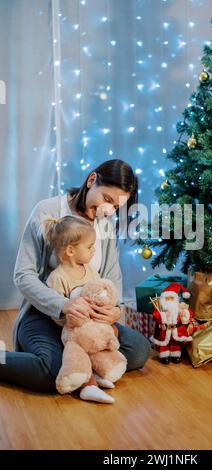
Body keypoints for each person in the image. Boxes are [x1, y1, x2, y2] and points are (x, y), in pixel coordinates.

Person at [0, 159, 151, 392]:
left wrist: (115, 309)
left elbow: (112, 276)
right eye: (107, 199)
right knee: (51, 371)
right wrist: (63, 305)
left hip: (90, 323)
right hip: (46, 315)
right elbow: (23, 275)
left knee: (139, 349)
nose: (107, 210)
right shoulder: (47, 211)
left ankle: (82, 367)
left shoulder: (105, 224)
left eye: (115, 207)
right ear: (92, 180)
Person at [43, 215, 122, 404]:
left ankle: (100, 369)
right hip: (72, 329)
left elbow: (100, 293)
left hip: (92, 325)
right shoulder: (57, 278)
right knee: (78, 349)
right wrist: (77, 321)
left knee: (113, 332)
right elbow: (58, 314)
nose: (94, 250)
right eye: (89, 247)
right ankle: (88, 385)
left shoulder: (90, 271)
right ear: (71, 250)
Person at [150, 283, 193, 364]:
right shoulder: (160, 308)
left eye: (171, 298)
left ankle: (175, 355)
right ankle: (164, 356)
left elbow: (189, 314)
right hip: (164, 330)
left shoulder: (179, 308)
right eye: (167, 299)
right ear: (163, 299)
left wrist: (185, 313)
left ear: (176, 299)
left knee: (175, 342)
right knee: (163, 343)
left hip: (176, 330)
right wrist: (163, 315)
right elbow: (155, 315)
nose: (169, 301)